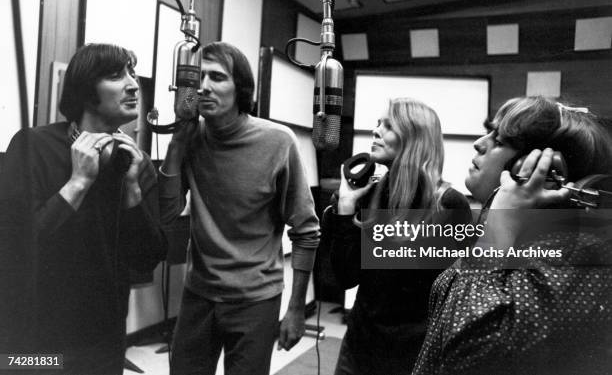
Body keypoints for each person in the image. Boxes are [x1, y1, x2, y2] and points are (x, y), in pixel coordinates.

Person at [413, 96, 612, 375]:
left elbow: (467, 350)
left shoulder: (574, 257)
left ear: (546, 172)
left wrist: (501, 222)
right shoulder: (515, 236)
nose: (479, 143)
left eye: (501, 140)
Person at [0, 43, 167, 374]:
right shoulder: (33, 146)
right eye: (116, 75)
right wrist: (77, 183)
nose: (133, 84)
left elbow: (148, 256)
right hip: (34, 336)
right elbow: (15, 245)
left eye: (131, 73)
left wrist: (132, 188)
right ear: (87, 92)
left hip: (103, 339)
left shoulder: (136, 162)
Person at [159, 41, 320, 375]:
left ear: (241, 89)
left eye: (217, 77)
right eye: (198, 76)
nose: (203, 87)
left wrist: (296, 310)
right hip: (199, 293)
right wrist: (176, 146)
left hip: (255, 299)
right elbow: (167, 214)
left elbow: (306, 231)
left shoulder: (278, 142)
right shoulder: (191, 140)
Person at [322, 98, 472, 375]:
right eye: (378, 124)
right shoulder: (369, 195)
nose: (376, 131)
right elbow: (346, 277)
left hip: (413, 354)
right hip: (360, 346)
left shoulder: (448, 205)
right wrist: (344, 209)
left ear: (414, 137)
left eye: (388, 125)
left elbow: (450, 299)